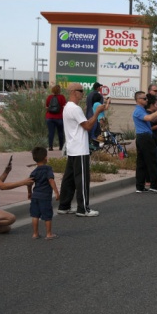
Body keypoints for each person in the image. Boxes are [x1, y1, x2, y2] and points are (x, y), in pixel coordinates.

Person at [57, 82, 109, 216]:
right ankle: (83, 208)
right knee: (82, 179)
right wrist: (97, 112)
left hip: (72, 147)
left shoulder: (67, 107)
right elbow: (87, 126)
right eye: (81, 91)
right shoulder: (75, 108)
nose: (83, 93)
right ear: (74, 92)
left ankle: (64, 205)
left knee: (69, 179)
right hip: (80, 148)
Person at [133, 91, 157, 194]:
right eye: (144, 99)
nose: (146, 100)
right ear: (138, 100)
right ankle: (154, 185)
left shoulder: (142, 110)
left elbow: (151, 119)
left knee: (141, 163)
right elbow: (149, 118)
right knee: (152, 161)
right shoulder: (138, 111)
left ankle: (140, 186)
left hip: (142, 137)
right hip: (145, 137)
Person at [27, 146, 59, 240]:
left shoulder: (34, 171)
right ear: (45, 157)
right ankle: (49, 234)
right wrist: (56, 192)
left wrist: (29, 192)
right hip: (45, 196)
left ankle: (35, 233)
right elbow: (51, 180)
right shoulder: (48, 169)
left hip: (35, 195)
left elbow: (29, 183)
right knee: (47, 215)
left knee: (35, 215)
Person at [45, 84, 66, 151]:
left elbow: (47, 106)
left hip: (49, 117)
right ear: (59, 90)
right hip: (59, 117)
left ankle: (50, 147)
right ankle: (61, 146)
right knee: (60, 132)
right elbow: (64, 106)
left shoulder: (49, 97)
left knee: (51, 132)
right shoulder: (62, 97)